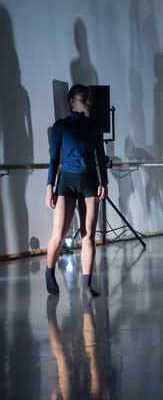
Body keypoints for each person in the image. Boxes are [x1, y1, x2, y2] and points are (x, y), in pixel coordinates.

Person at [45, 85, 107, 297]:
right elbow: (54, 159)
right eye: (84, 98)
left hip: (90, 180)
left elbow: (101, 155)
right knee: (60, 233)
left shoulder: (94, 125)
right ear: (72, 101)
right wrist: (49, 187)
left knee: (88, 235)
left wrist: (104, 182)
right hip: (67, 182)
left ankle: (87, 285)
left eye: (90, 98)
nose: (89, 102)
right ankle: (49, 272)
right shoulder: (60, 126)